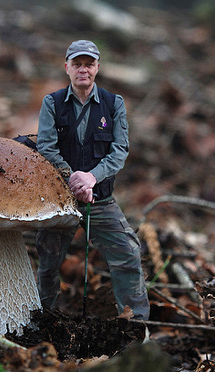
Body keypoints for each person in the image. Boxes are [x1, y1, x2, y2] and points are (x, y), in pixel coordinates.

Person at [35, 39, 149, 320]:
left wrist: (92, 179)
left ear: (97, 67)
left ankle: (135, 324)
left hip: (100, 200)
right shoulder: (52, 103)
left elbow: (120, 150)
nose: (82, 69)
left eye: (88, 64)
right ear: (67, 67)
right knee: (48, 263)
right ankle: (42, 319)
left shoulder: (113, 104)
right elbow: (46, 148)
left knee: (129, 254)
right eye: (77, 64)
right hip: (60, 199)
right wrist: (74, 179)